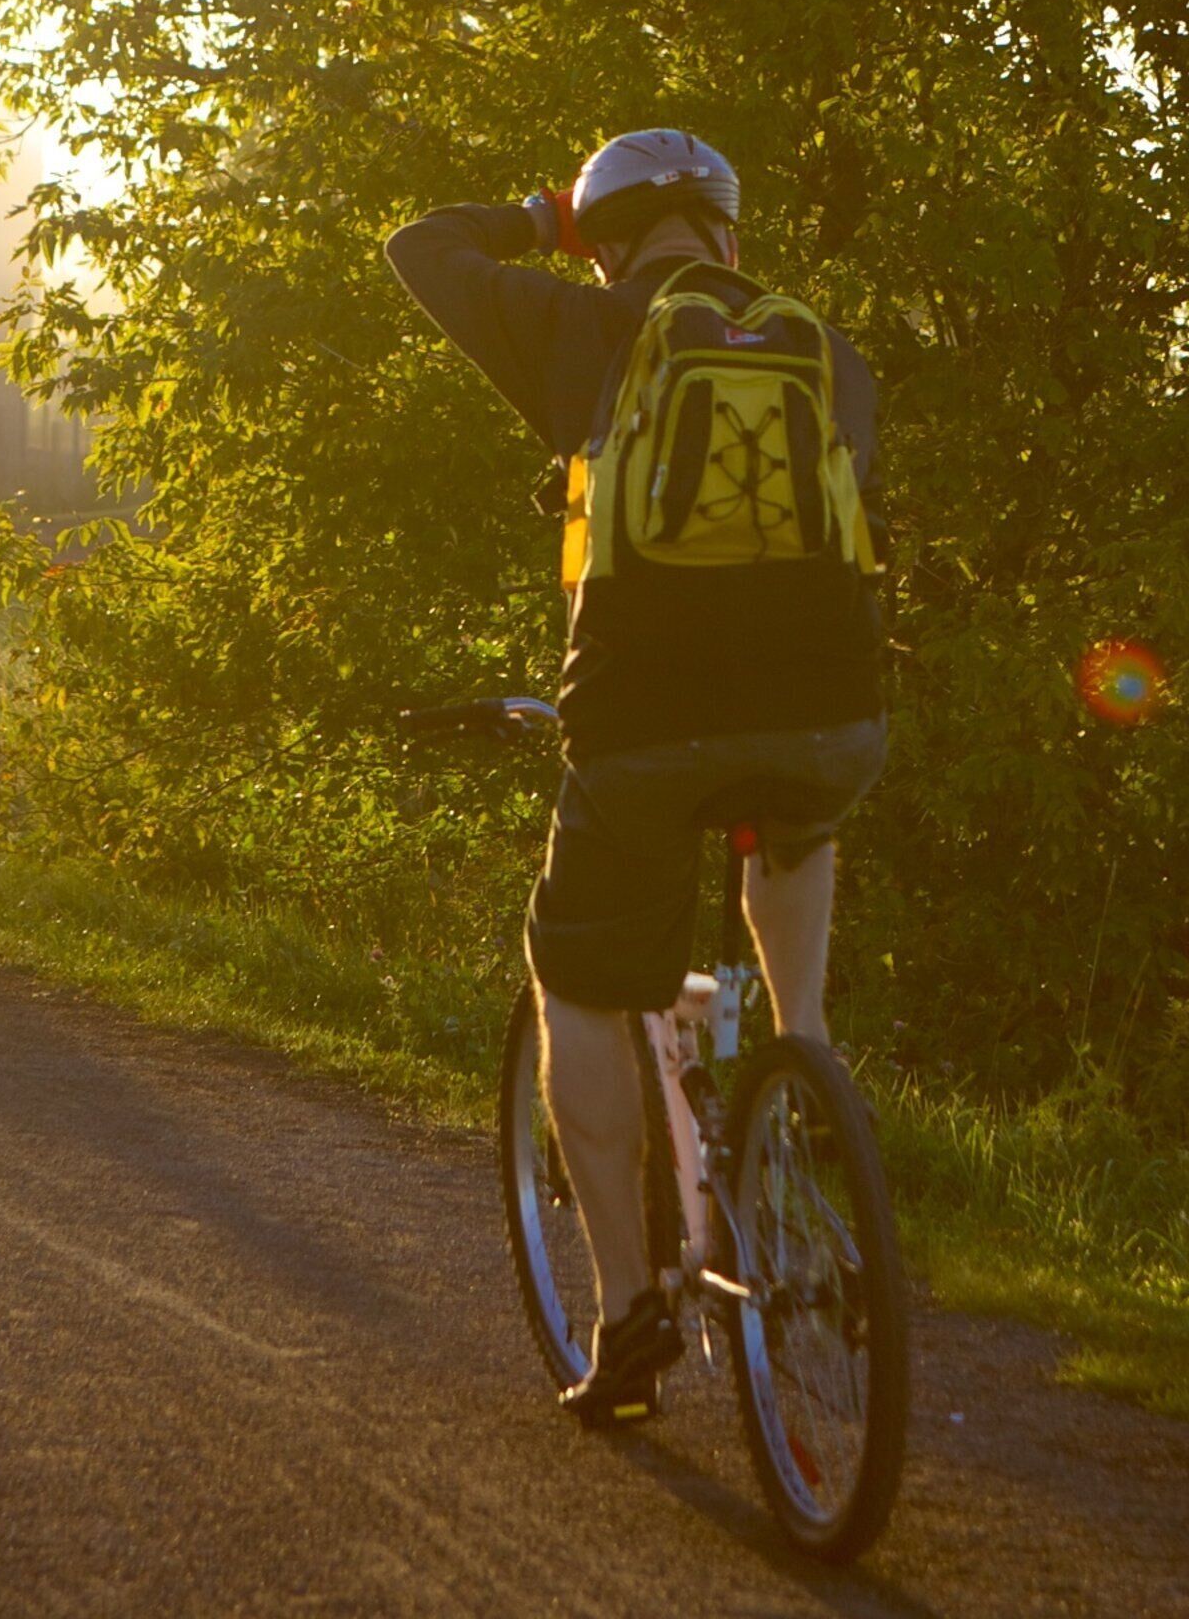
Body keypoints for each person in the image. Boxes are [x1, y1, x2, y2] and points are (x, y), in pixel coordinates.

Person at [387, 129, 888, 1424]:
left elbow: (418, 249)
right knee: (792, 811)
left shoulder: (582, 332)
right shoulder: (824, 354)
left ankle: (626, 1316)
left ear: (604, 241)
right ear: (729, 237)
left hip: (642, 723)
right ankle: (807, 1061)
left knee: (583, 987)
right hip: (835, 715)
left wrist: (540, 220)